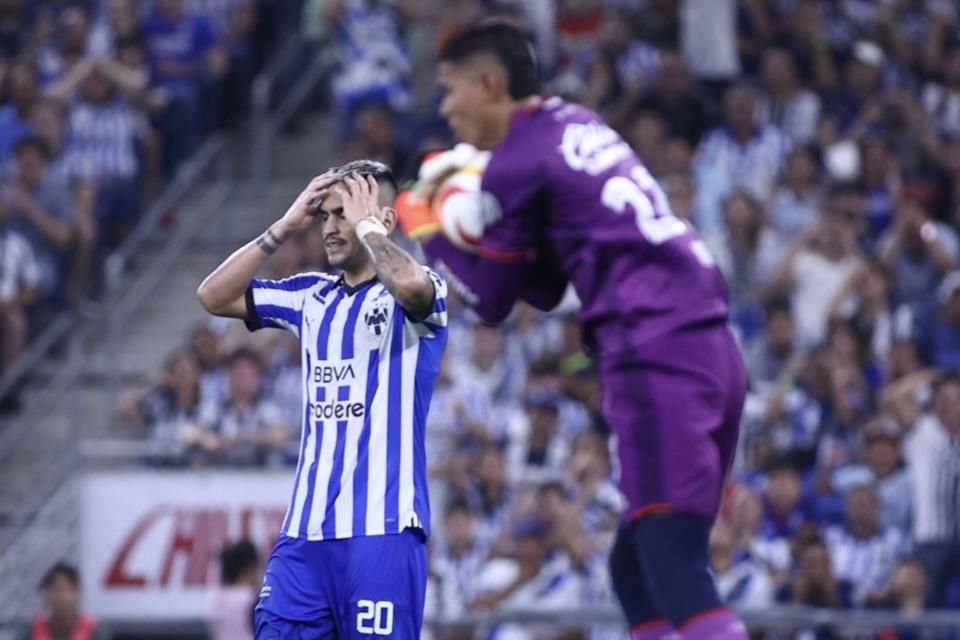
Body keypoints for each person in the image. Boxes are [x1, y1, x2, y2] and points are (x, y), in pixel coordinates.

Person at [399, 21, 748, 640]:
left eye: (450, 91)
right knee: (634, 574)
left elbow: (493, 302)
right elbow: (548, 284)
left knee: (677, 571)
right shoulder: (577, 124)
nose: (445, 109)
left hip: (653, 353)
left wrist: (425, 225)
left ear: (489, 83)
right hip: (709, 347)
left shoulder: (515, 162)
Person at [197, 160, 448, 638]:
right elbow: (212, 296)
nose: (330, 228)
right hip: (303, 538)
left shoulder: (420, 294)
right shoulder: (310, 297)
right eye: (326, 215)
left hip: (383, 531)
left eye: (343, 215)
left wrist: (370, 228)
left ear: (382, 221)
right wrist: (285, 226)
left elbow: (411, 286)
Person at [18, 562, 110, 640]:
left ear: (76, 593)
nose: (60, 596)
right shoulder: (31, 632)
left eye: (65, 590)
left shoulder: (94, 631)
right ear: (45, 595)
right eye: (55, 590)